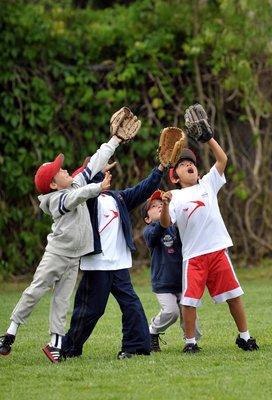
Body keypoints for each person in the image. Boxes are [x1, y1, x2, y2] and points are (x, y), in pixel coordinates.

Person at [0, 135, 122, 362]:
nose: (65, 170)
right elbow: (75, 197)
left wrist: (115, 140)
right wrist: (98, 186)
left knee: (62, 301)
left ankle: (54, 345)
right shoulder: (55, 199)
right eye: (60, 171)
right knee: (35, 290)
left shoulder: (72, 183)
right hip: (56, 254)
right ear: (53, 185)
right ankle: (9, 333)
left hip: (73, 257)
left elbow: (93, 163)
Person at [160, 141, 259, 353]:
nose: (189, 165)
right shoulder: (175, 196)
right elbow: (166, 224)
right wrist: (166, 205)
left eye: (191, 162)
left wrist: (209, 140)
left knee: (234, 295)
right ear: (174, 176)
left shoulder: (207, 184)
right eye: (182, 163)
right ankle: (190, 342)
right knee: (189, 302)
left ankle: (245, 337)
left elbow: (223, 159)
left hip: (217, 252)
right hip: (194, 257)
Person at [61, 163, 165, 360]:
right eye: (98, 170)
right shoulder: (85, 200)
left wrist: (160, 169)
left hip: (119, 264)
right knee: (90, 311)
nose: (105, 173)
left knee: (132, 305)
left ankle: (134, 347)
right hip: (97, 264)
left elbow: (143, 189)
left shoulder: (119, 197)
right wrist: (93, 173)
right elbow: (80, 186)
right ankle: (68, 348)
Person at [142, 189, 201, 352]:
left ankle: (191, 342)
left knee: (189, 312)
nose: (159, 206)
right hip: (163, 283)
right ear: (147, 219)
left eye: (161, 204)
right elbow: (160, 228)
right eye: (153, 206)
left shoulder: (176, 228)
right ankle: (152, 331)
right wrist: (165, 213)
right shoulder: (149, 231)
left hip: (182, 281)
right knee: (171, 312)